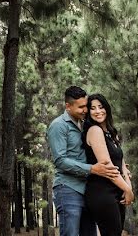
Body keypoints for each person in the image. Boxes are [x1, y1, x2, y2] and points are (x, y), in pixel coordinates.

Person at [47, 86, 120, 236]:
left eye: (86, 106)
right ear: (68, 106)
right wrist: (92, 169)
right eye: (81, 107)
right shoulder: (58, 126)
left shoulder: (84, 124)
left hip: (87, 190)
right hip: (68, 189)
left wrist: (118, 165)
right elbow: (60, 161)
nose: (85, 110)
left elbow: (93, 151)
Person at [82, 93, 133, 236]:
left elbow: (122, 164)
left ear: (107, 108)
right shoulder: (95, 131)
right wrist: (128, 190)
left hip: (117, 190)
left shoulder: (111, 132)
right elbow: (108, 167)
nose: (97, 111)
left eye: (101, 107)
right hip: (102, 192)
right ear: (88, 112)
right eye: (92, 108)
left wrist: (127, 187)